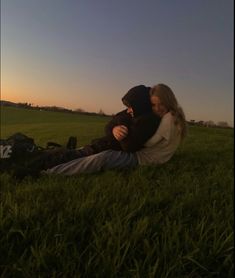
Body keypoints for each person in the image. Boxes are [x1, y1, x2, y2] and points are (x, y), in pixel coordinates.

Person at [44, 83, 187, 176]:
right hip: (149, 156)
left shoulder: (169, 119)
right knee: (92, 150)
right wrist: (118, 128)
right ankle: (55, 159)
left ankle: (51, 173)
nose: (156, 109)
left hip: (144, 159)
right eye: (154, 105)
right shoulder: (174, 116)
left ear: (169, 101)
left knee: (105, 157)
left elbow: (146, 144)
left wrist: (127, 131)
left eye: (160, 104)